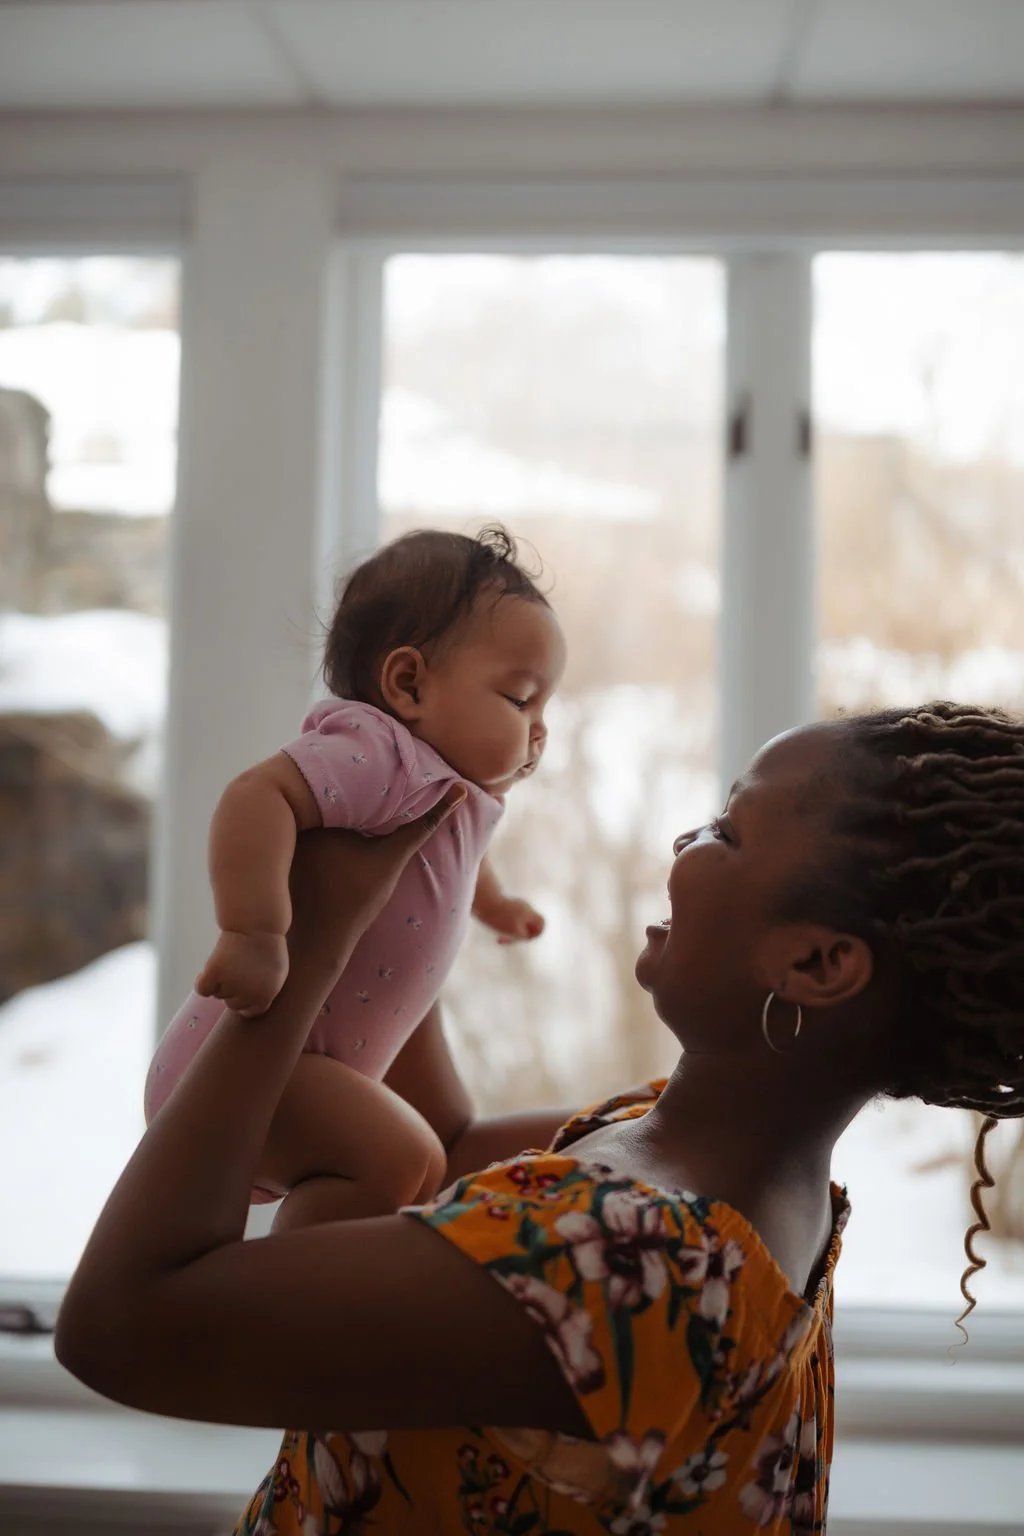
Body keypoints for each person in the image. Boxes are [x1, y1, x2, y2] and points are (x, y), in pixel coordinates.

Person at [56, 701, 1024, 1534]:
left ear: (817, 966)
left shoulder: (631, 1261)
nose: (683, 847)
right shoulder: (692, 1170)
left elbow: (120, 1323)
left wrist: (300, 946)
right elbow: (427, 1156)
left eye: (726, 832)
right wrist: (403, 901)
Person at [143, 526, 565, 1229]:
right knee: (402, 1158)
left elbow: (458, 855)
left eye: (547, 708)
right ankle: (293, 1303)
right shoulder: (379, 752)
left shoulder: (446, 784)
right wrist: (253, 929)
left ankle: (329, 1282)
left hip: (320, 1062)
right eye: (521, 699)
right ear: (407, 684)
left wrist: (492, 904)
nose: (541, 730)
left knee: (425, 1161)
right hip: (251, 1068)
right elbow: (258, 795)